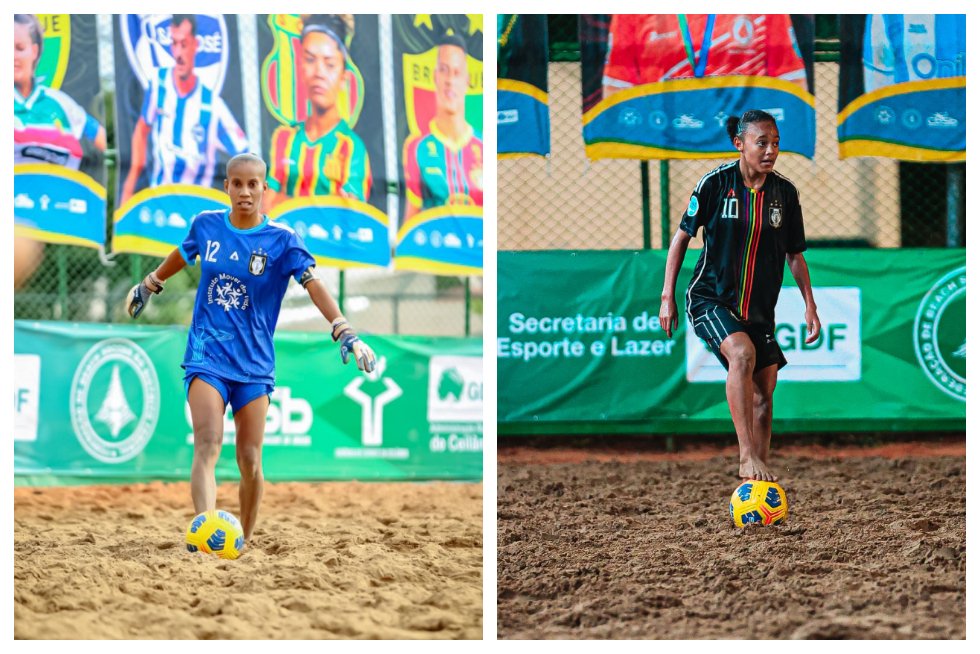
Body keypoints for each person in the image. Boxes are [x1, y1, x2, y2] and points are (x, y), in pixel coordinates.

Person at [127, 152, 376, 545]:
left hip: (255, 365)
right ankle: (205, 530)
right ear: (226, 186)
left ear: (264, 188)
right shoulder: (206, 226)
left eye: (252, 184)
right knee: (207, 444)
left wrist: (343, 328)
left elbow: (312, 283)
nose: (244, 191)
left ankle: (245, 535)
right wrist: (150, 282)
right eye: (237, 183)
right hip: (206, 355)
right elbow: (184, 251)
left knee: (250, 460)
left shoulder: (282, 240)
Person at [659, 109, 820, 482]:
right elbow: (682, 237)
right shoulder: (714, 184)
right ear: (740, 144)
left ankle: (756, 481)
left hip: (759, 310)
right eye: (761, 142)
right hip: (710, 297)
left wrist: (810, 305)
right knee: (742, 354)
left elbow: (794, 254)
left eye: (776, 143)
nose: (770, 151)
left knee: (765, 396)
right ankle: (746, 457)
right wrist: (667, 295)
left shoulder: (785, 193)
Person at [120, 14, 248, 205]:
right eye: (174, 43)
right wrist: (129, 186)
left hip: (196, 209)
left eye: (184, 44)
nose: (178, 53)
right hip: (160, 204)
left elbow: (245, 156)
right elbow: (141, 131)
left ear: (195, 45)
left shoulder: (213, 106)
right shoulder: (158, 85)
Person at [264, 14, 371, 210]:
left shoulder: (351, 148)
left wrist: (286, 200)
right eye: (310, 60)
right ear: (301, 68)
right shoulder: (284, 138)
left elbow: (349, 215)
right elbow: (265, 207)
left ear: (344, 77)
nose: (319, 73)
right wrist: (325, 202)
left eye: (329, 64)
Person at [602, 15, 807, 99]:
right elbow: (615, 90)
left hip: (742, 147)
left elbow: (793, 84)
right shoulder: (631, 11)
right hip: (662, 141)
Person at [402, 33, 483, 224]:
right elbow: (410, 223)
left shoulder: (484, 146)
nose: (449, 80)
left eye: (456, 73)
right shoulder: (417, 148)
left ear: (467, 80)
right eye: (444, 70)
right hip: (435, 250)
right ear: (435, 76)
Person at [14, 13, 107, 168]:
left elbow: (101, 138)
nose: (12, 56)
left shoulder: (60, 103)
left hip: (58, 190)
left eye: (20, 48)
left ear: (34, 51)